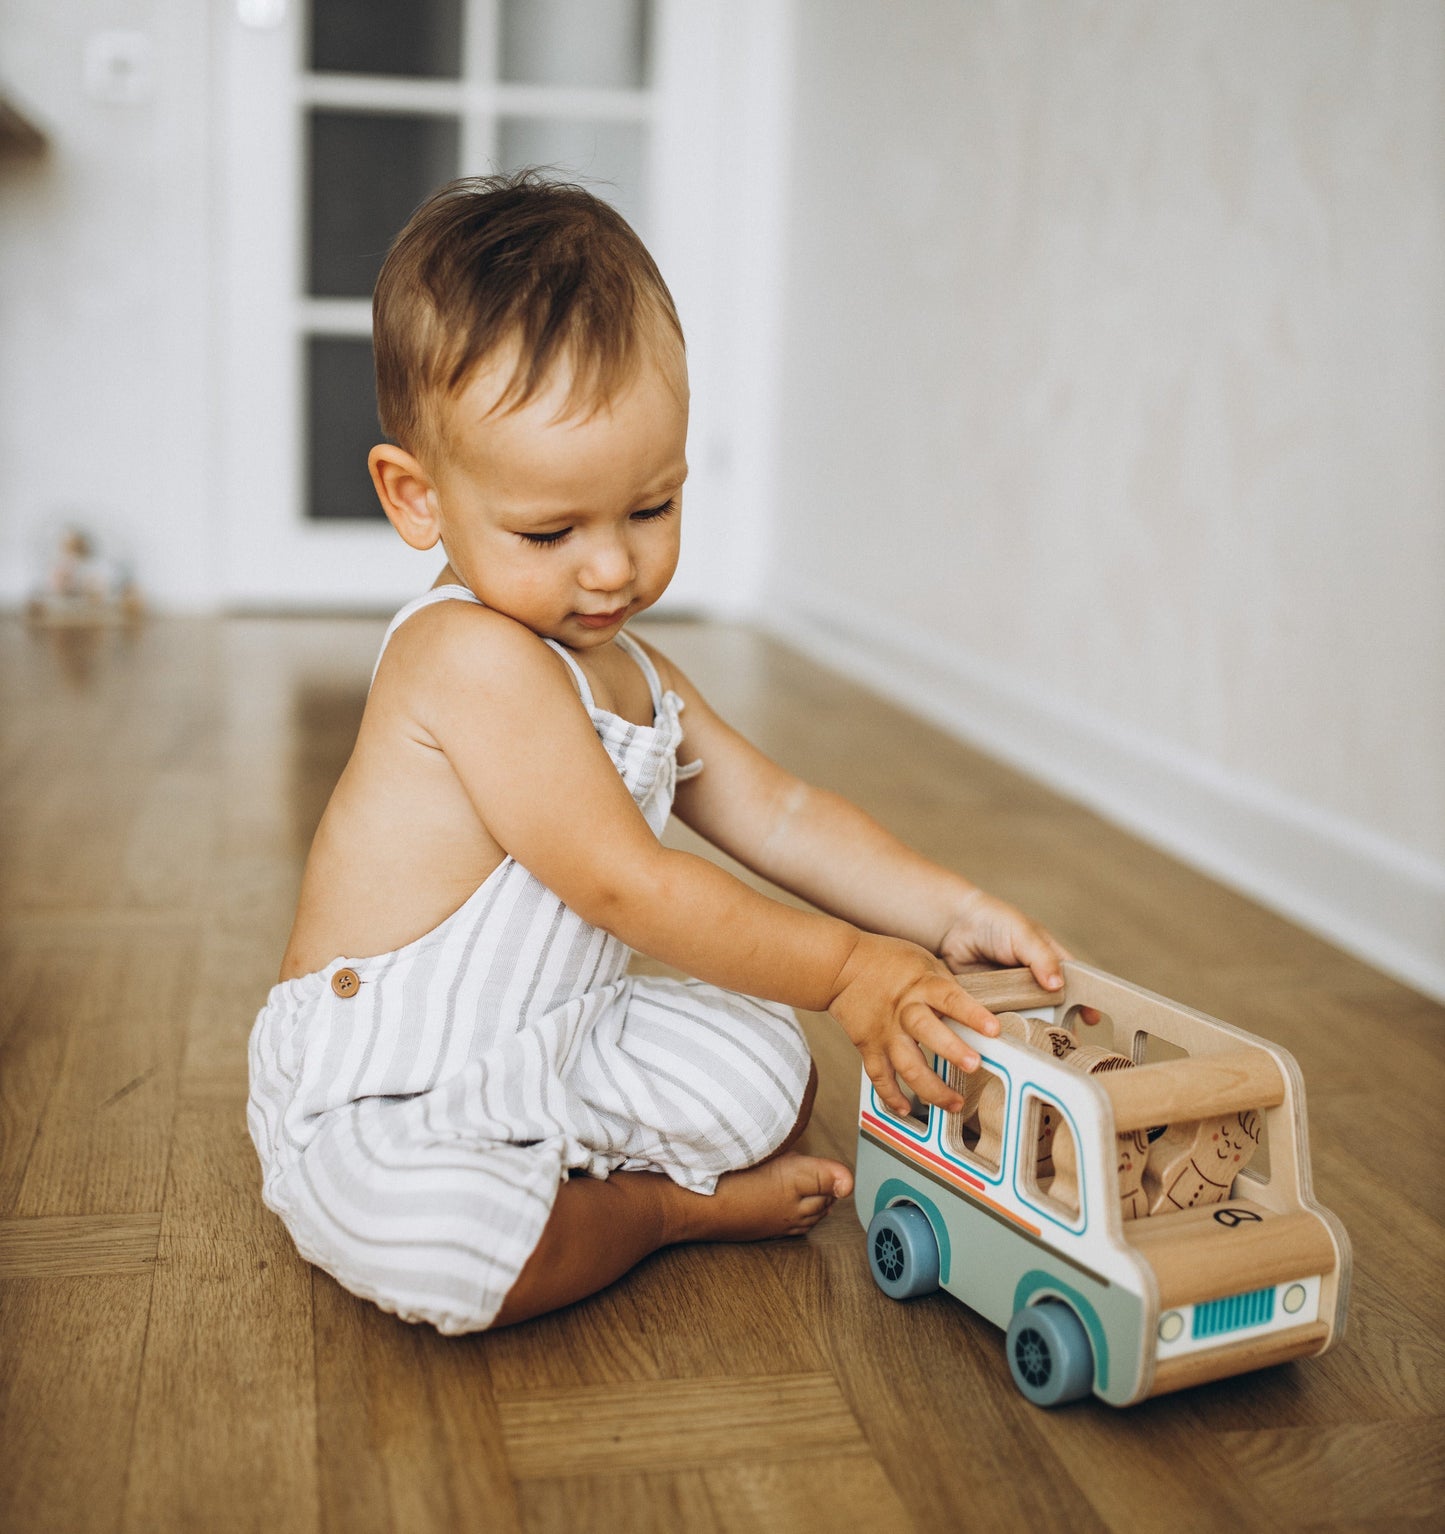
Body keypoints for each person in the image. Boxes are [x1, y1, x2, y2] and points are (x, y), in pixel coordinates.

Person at [247, 172, 1074, 1335]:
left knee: (771, 1073)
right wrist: (846, 969)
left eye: (651, 507)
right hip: (390, 1080)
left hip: (556, 1038)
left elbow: (776, 813)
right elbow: (625, 886)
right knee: (438, 1242)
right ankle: (659, 1213)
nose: (610, 570)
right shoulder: (465, 659)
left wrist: (947, 909)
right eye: (549, 530)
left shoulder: (627, 668)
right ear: (416, 496)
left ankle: (577, 1164)